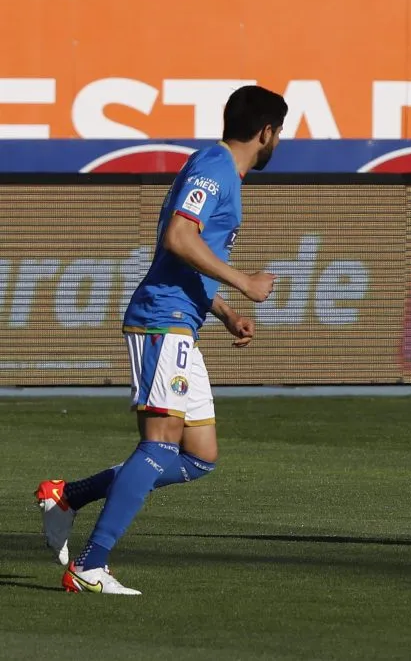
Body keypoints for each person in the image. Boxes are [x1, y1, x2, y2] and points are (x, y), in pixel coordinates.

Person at [36, 85, 288, 594]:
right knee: (159, 443)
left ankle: (68, 495)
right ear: (266, 132)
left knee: (198, 457)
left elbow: (183, 254)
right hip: (160, 320)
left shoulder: (219, 171)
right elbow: (178, 238)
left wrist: (222, 311)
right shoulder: (215, 169)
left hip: (183, 320)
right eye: (279, 132)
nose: (278, 141)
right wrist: (244, 281)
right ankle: (90, 565)